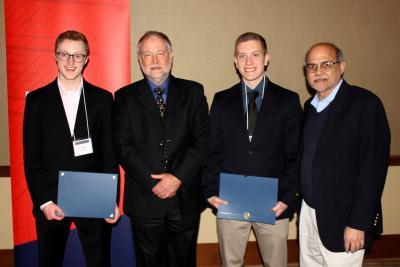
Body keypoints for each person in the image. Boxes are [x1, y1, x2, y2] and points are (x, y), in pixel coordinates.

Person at [202, 32, 302, 267]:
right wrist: (209, 190)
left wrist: (288, 198)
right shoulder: (221, 100)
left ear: (266, 58)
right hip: (230, 201)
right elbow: (211, 151)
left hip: (274, 203)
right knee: (231, 263)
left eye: (255, 55)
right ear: (235, 61)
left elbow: (295, 155)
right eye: (242, 56)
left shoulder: (288, 101)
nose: (249, 62)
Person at [23, 30, 120, 267]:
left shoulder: (103, 99)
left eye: (77, 56)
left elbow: (109, 155)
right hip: (51, 201)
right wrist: (44, 202)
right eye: (64, 54)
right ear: (55, 57)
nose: (70, 61)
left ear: (87, 59)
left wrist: (110, 200)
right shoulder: (36, 101)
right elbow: (31, 157)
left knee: (99, 262)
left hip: (94, 198)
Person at [113, 31, 209, 267]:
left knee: (184, 261)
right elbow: (122, 147)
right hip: (145, 198)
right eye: (147, 54)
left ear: (171, 56)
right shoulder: (124, 97)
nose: (154, 60)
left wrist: (177, 178)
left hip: (184, 197)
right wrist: (153, 182)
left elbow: (203, 140)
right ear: (140, 60)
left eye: (160, 53)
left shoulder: (193, 92)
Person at [299, 42, 390, 266]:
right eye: (312, 67)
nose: (318, 72)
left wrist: (359, 223)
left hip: (344, 218)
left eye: (326, 64)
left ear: (342, 66)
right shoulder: (309, 107)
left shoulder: (365, 105)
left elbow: (372, 171)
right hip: (309, 213)